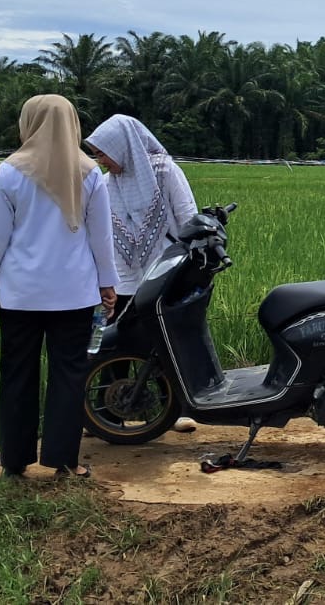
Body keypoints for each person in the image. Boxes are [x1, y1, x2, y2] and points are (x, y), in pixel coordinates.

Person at [0, 94, 118, 479]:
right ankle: (64, 462)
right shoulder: (89, 173)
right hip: (73, 293)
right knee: (68, 375)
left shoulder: (9, 173)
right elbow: (101, 238)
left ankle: (15, 462)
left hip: (21, 294)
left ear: (30, 123)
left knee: (18, 374)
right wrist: (108, 285)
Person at [85, 114, 201, 432]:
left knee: (165, 343)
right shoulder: (107, 183)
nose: (102, 161)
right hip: (121, 279)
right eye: (97, 155)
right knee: (113, 343)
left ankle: (176, 409)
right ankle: (108, 413)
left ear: (122, 147)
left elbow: (189, 216)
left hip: (164, 277)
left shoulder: (164, 171)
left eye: (102, 153)